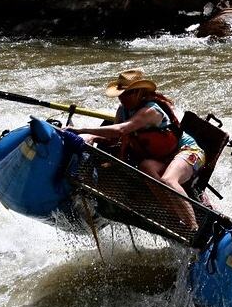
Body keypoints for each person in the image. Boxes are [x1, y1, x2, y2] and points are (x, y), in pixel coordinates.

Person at [65, 68, 204, 230]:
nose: (122, 98)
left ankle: (193, 228)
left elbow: (121, 130)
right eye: (121, 94)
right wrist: (93, 137)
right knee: (145, 167)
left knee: (168, 180)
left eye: (127, 93)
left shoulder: (151, 111)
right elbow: (114, 139)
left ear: (139, 92)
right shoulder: (122, 111)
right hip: (162, 159)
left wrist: (82, 131)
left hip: (188, 151)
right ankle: (175, 217)